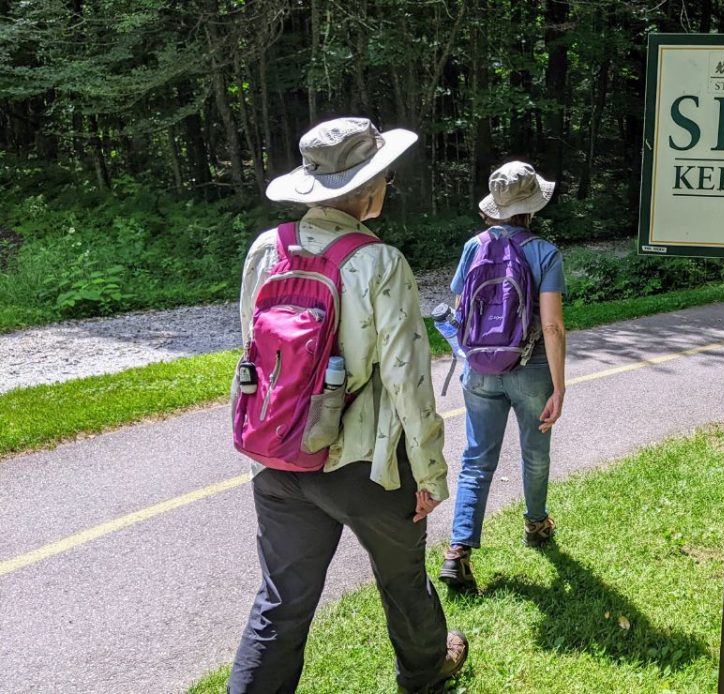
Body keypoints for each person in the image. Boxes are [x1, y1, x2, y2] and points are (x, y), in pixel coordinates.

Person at [229, 117, 467, 693]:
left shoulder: (268, 248)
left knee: (281, 600)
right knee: (402, 578)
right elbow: (409, 381)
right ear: (370, 186)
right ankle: (426, 674)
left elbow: (253, 353)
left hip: (279, 457)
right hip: (367, 466)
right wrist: (431, 473)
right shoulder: (380, 262)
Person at [439, 161, 567, 593]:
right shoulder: (544, 252)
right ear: (532, 207)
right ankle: (535, 524)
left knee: (476, 459)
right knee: (535, 452)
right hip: (529, 366)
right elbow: (551, 326)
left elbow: (460, 309)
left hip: (479, 368)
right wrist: (560, 385)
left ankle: (458, 552)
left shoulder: (473, 246)